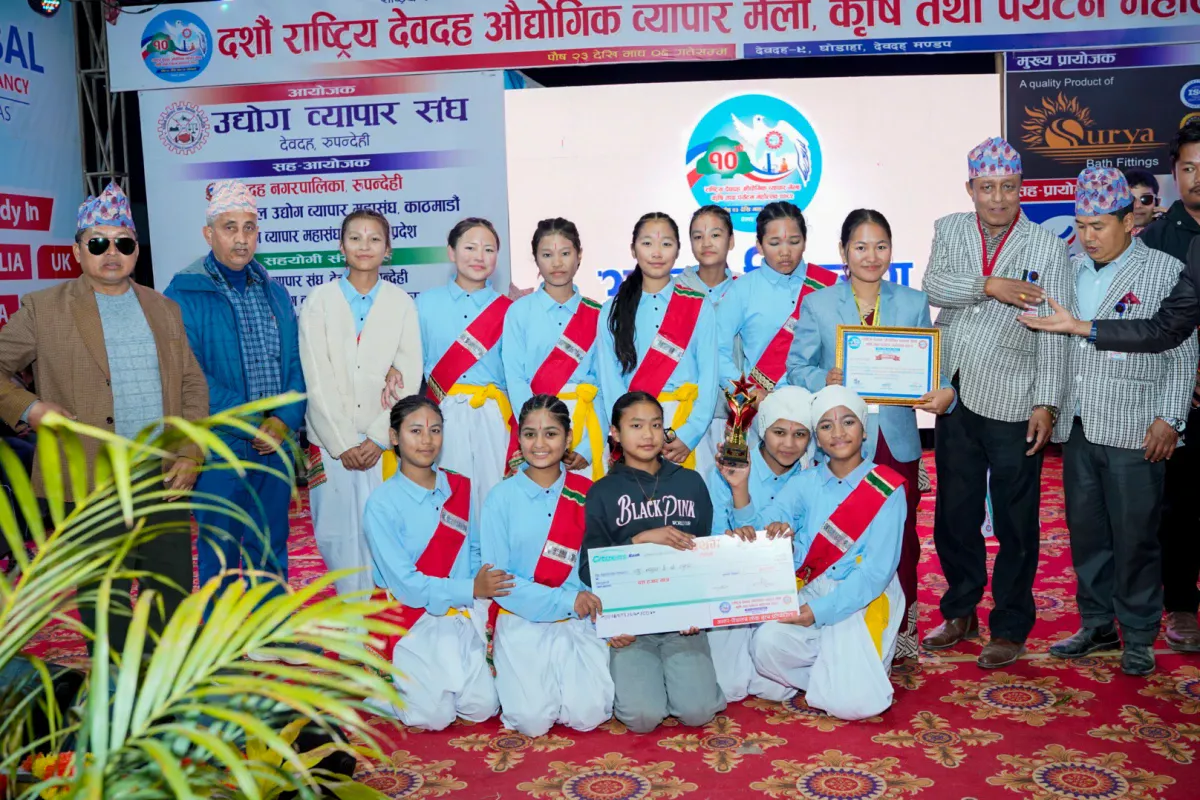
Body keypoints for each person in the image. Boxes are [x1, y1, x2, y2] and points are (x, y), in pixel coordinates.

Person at [0, 182, 209, 653]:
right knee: (104, 596)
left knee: (170, 588)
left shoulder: (164, 308)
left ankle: (166, 682)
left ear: (136, 251)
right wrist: (30, 408)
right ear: (77, 251)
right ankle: (115, 683)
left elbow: (192, 385)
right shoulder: (43, 309)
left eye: (123, 243)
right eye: (98, 243)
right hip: (88, 477)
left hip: (161, 476)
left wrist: (191, 452)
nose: (111, 252)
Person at [1019, 122, 1200, 653]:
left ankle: (1139, 634)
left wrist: (1171, 418)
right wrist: (1046, 403)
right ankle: (1097, 624)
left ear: (1127, 221)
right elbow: (1055, 344)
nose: (1088, 236)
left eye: (1098, 225)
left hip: (1137, 426)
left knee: (1138, 538)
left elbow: (1181, 348)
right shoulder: (1068, 269)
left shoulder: (1164, 270)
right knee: (1088, 534)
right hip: (1079, 426)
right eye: (1080, 225)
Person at [920, 137, 1071, 669]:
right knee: (954, 513)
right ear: (971, 188)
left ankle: (1009, 625)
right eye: (987, 188)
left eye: (1008, 187)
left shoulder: (1047, 245)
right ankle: (960, 610)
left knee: (1016, 520)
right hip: (954, 394)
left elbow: (1055, 329)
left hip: (1016, 397)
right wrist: (990, 286)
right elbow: (934, 285)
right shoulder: (950, 228)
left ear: (1021, 186)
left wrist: (1047, 402)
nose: (998, 199)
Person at [787, 209, 957, 662]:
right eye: (860, 247)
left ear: (891, 250)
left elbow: (931, 369)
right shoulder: (819, 304)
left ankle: (900, 633)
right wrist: (825, 378)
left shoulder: (913, 301)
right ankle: (836, 624)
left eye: (880, 246)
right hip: (839, 441)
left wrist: (943, 392)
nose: (871, 256)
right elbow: (797, 367)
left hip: (894, 441)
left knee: (900, 541)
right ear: (843, 251)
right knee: (835, 535)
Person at [165, 180, 306, 614]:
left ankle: (270, 630)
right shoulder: (183, 294)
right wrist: (252, 421)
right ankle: (221, 639)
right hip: (219, 445)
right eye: (230, 228)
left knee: (270, 543)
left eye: (249, 227)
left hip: (273, 444)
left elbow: (295, 365)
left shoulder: (274, 291)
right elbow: (189, 374)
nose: (241, 238)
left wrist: (283, 419)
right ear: (209, 234)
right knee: (220, 548)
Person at [748, 385, 906, 721]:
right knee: (764, 645)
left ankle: (835, 675)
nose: (838, 433)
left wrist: (817, 612)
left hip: (862, 599)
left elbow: (876, 572)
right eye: (825, 425)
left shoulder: (886, 487)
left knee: (857, 704)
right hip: (812, 588)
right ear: (817, 440)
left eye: (848, 422)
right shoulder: (805, 482)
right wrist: (742, 496)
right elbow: (764, 525)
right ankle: (832, 673)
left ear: (864, 430)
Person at [579, 391, 725, 733]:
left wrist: (699, 612)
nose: (648, 435)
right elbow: (589, 568)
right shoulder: (601, 491)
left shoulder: (690, 482)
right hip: (630, 627)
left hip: (682, 623)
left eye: (656, 425)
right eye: (636, 426)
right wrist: (641, 539)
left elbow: (707, 554)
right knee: (641, 718)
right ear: (615, 433)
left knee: (698, 712)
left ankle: (685, 682)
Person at [362, 395, 507, 730]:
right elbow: (407, 586)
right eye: (415, 431)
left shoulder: (458, 486)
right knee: (433, 717)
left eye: (435, 430)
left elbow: (474, 549)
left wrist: (475, 592)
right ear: (394, 437)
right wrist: (470, 588)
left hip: (458, 613)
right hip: (409, 619)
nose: (427, 440)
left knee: (482, 707)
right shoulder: (381, 505)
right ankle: (384, 690)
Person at [298, 209, 423, 596]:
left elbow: (408, 375)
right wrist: (343, 442)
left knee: (386, 530)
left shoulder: (401, 304)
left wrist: (377, 437)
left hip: (380, 443)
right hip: (330, 442)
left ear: (388, 250)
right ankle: (352, 618)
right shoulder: (319, 301)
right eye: (355, 238)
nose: (364, 246)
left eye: (374, 239)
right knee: (335, 533)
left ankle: (385, 619)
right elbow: (315, 377)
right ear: (341, 247)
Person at [481, 394, 614, 735]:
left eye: (551, 434)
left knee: (588, 715)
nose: (539, 444)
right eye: (530, 434)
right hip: (521, 617)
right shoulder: (500, 498)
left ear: (568, 438)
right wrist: (565, 599)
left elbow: (602, 565)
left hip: (577, 619)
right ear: (519, 439)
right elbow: (499, 581)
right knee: (531, 721)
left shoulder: (590, 493)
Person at [705, 385, 815, 702]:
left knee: (772, 688)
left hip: (785, 586)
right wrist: (729, 542)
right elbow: (713, 535)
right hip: (731, 584)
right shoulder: (728, 469)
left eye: (800, 434)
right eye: (779, 432)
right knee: (729, 686)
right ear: (763, 429)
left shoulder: (810, 479)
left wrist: (789, 547)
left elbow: (806, 548)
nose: (789, 444)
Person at [596, 213, 718, 471]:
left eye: (666, 244)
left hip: (686, 427)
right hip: (633, 429)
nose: (657, 252)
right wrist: (628, 431)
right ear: (633, 249)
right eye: (647, 243)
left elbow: (709, 376)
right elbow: (609, 379)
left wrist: (689, 433)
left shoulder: (698, 305)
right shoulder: (611, 310)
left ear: (678, 250)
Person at [417, 218, 517, 512]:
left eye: (489, 249)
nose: (479, 256)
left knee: (496, 501)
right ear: (451, 252)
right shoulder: (424, 304)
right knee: (446, 502)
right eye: (470, 247)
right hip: (441, 415)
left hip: (494, 416)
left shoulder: (510, 311)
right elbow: (410, 364)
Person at [502, 219, 607, 479]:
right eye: (547, 255)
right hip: (536, 426)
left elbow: (606, 385)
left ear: (579, 255)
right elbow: (515, 377)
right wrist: (537, 432)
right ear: (536, 258)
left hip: (587, 426)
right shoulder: (519, 312)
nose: (557, 263)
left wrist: (587, 447)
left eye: (565, 253)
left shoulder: (598, 314)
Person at [717, 203, 838, 409]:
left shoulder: (829, 286)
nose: (785, 252)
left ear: (805, 242)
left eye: (794, 242)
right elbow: (717, 351)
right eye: (774, 243)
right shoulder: (742, 289)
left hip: (822, 406)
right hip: (763, 407)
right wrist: (747, 394)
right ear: (759, 246)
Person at [680, 205, 740, 475]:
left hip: (737, 414)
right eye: (698, 236)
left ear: (731, 240)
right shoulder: (676, 289)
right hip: (687, 414)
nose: (706, 243)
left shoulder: (746, 289)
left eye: (715, 235)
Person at [1122, 167, 1163, 236]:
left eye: (1146, 199)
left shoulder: (1169, 233)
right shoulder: (1108, 236)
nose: (1138, 206)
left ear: (1157, 202)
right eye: (1131, 199)